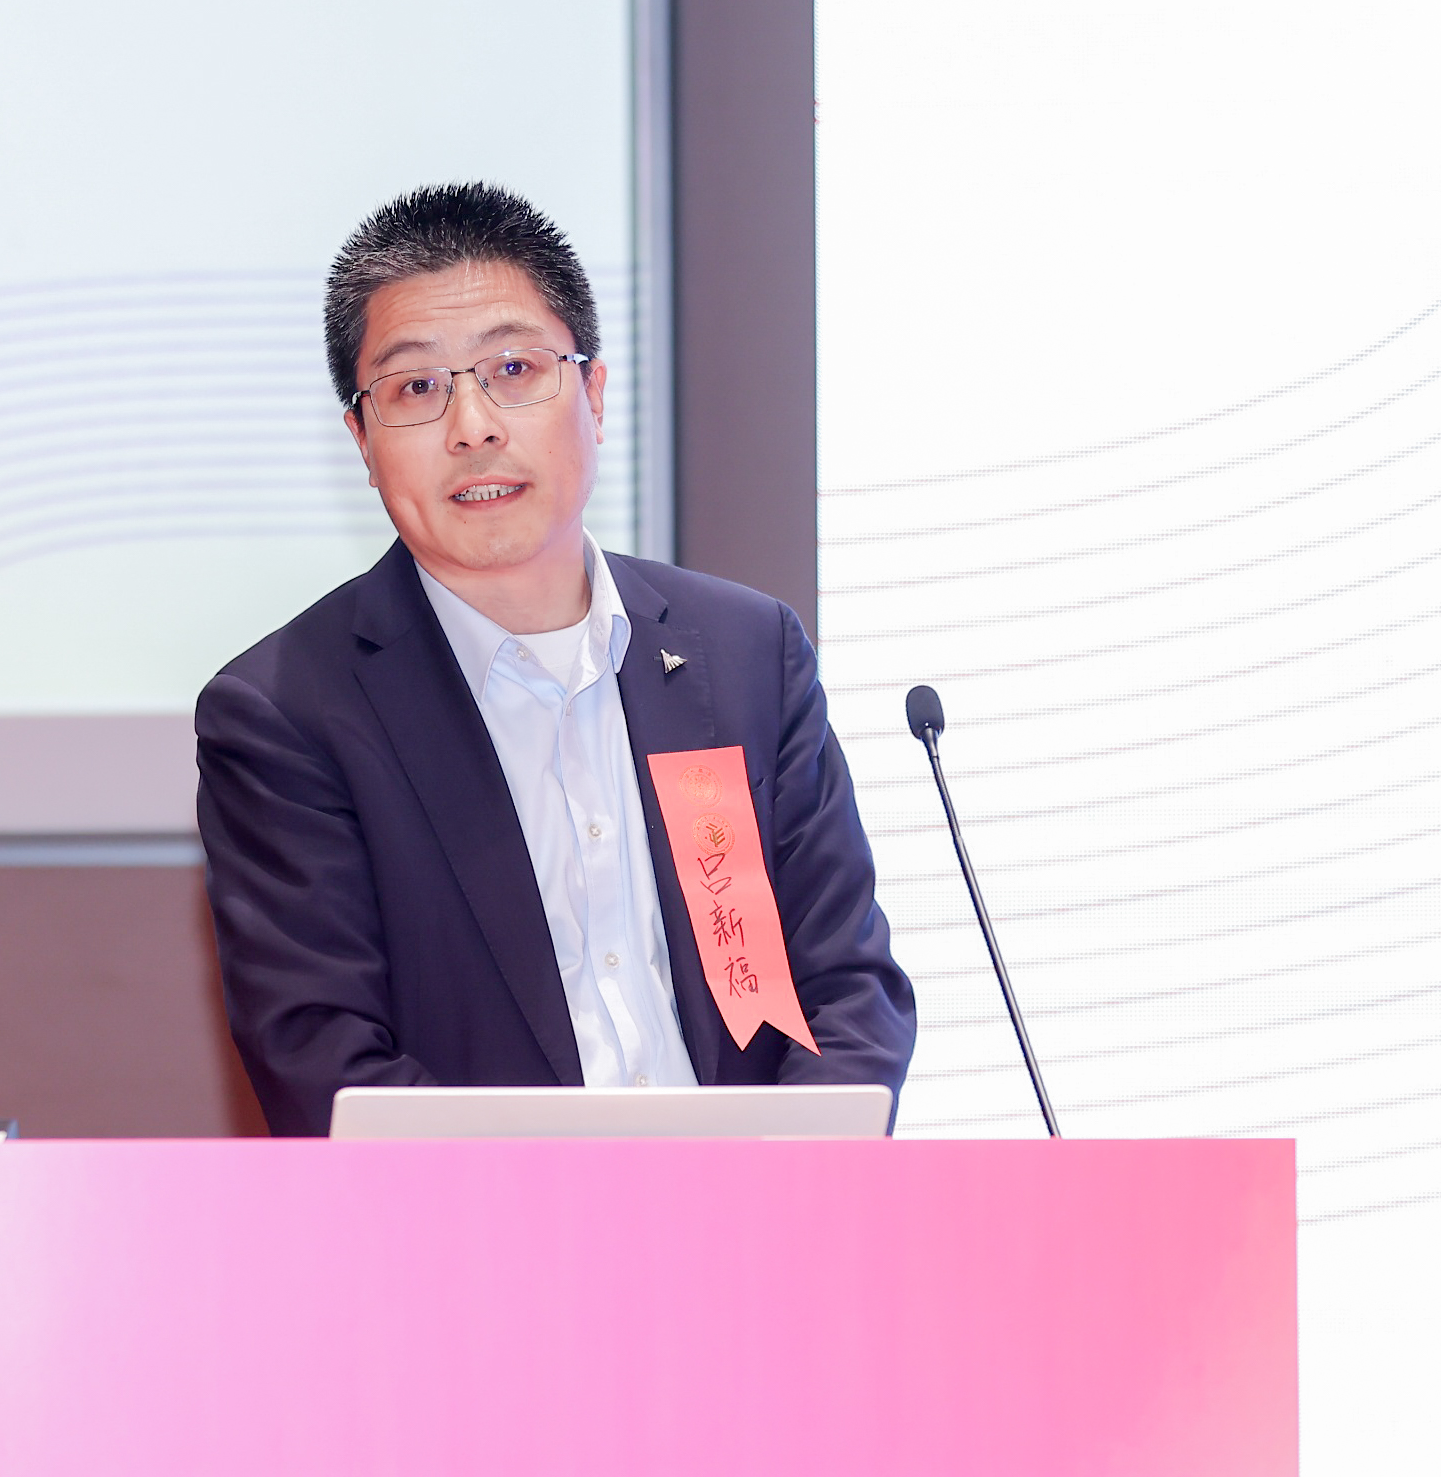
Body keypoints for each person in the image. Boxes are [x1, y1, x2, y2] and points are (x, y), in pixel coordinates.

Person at [194, 183, 916, 1136]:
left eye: (513, 368)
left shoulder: (746, 652)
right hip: (482, 1222)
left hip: (760, 1204)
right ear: (361, 442)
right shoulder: (286, 714)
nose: (472, 426)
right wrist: (581, 1209)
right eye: (416, 388)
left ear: (594, 396)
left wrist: (774, 1185)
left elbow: (846, 990)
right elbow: (326, 1063)